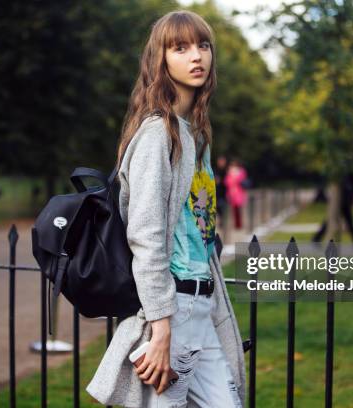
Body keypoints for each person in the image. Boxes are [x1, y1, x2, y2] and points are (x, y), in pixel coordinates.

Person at [86, 10, 245, 408]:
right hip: (174, 308)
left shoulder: (195, 134)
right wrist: (161, 332)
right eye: (181, 48)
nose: (197, 56)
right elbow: (146, 236)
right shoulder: (159, 134)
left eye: (203, 46)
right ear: (161, 60)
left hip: (201, 305)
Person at [224, 159, 248, 229]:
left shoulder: (241, 172)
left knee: (239, 209)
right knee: (234, 210)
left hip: (239, 193)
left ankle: (239, 224)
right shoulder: (229, 173)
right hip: (232, 193)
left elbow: (242, 180)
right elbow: (227, 182)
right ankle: (236, 224)